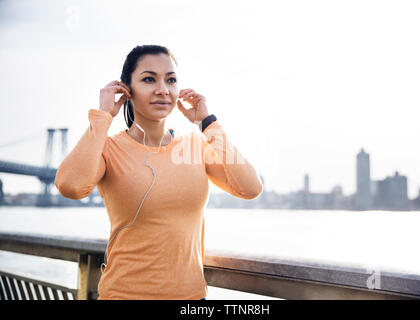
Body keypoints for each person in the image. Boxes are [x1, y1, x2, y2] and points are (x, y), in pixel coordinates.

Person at [54, 44, 263, 300]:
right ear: (126, 90)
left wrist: (208, 123)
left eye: (171, 80)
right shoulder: (109, 149)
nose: (162, 90)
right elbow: (71, 186)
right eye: (148, 79)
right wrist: (103, 116)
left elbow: (250, 188)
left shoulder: (194, 146)